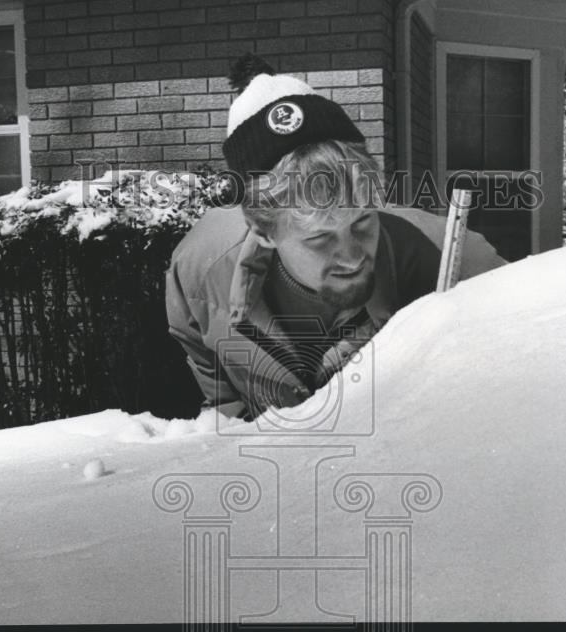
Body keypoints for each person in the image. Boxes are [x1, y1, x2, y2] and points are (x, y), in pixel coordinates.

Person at [165, 54, 506, 421]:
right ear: (263, 230)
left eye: (362, 223)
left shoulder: (456, 260)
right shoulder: (198, 273)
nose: (352, 256)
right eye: (320, 239)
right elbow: (222, 406)